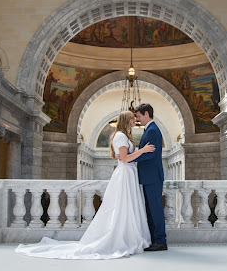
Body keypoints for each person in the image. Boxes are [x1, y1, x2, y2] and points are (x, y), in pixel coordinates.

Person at [15, 110, 155, 259]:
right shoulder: (120, 136)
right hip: (126, 174)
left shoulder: (124, 136)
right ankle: (123, 238)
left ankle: (129, 236)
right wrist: (143, 150)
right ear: (126, 120)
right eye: (133, 118)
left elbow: (125, 157)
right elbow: (125, 159)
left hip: (129, 174)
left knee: (128, 206)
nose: (135, 121)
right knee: (123, 206)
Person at [133, 103, 168, 251]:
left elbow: (150, 154)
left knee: (155, 209)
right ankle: (155, 240)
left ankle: (160, 240)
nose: (138, 120)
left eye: (139, 116)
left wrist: (131, 158)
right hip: (149, 176)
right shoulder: (150, 129)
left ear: (147, 114)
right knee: (150, 209)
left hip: (152, 176)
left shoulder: (153, 130)